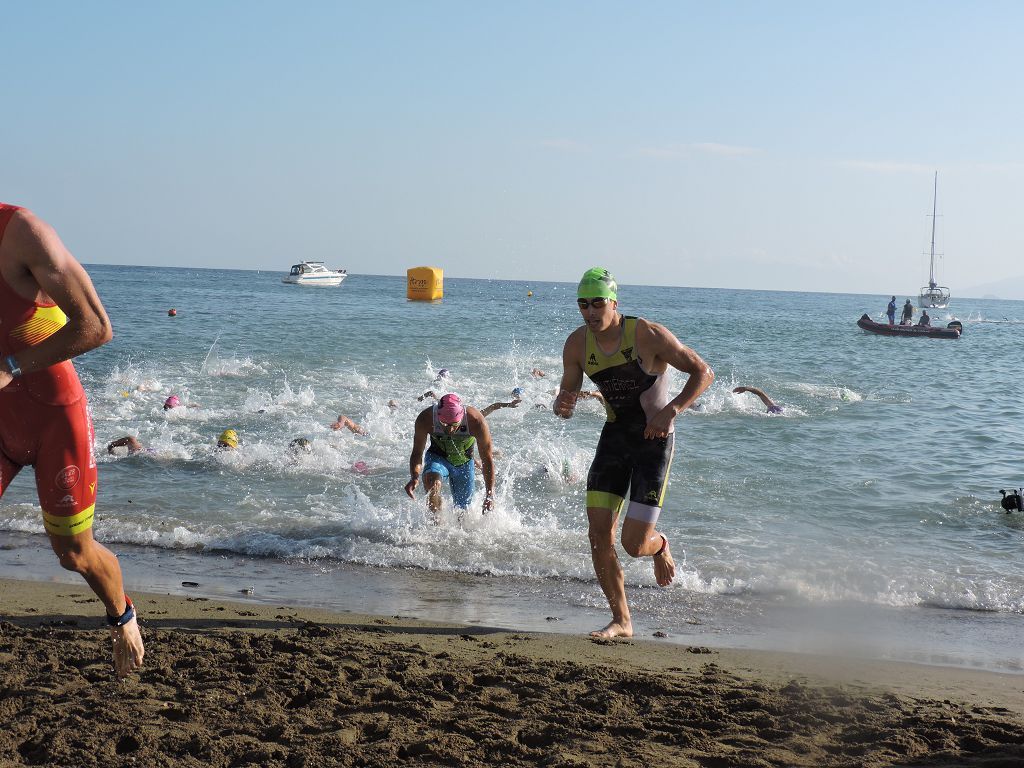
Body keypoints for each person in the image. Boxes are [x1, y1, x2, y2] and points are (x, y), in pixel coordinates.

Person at [0, 203, 144, 677]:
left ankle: (122, 616)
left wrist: (12, 366)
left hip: (53, 416)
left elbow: (96, 327)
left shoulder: (22, 233)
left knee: (74, 555)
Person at [554, 268, 714, 639]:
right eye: (583, 304)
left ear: (614, 302)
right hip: (614, 439)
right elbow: (568, 396)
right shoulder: (577, 345)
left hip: (654, 443)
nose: (590, 311)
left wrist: (670, 411)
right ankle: (622, 620)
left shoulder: (646, 334)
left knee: (633, 544)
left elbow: (703, 372)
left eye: (597, 303)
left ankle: (659, 545)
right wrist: (562, 405)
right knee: (598, 535)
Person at [404, 393, 496, 521]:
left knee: (463, 515)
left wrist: (489, 495)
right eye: (444, 424)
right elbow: (417, 452)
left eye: (454, 425)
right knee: (432, 482)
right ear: (437, 416)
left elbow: (487, 459)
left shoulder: (476, 421)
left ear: (462, 417)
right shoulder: (426, 418)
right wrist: (414, 476)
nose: (450, 429)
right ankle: (436, 525)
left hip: (464, 464)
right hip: (437, 459)